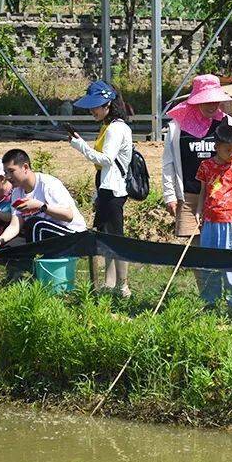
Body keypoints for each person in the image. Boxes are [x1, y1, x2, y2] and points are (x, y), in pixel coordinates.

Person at [68, 80, 134, 298]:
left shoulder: (116, 128)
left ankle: (123, 287)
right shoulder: (110, 126)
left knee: (117, 240)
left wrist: (80, 147)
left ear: (107, 104)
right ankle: (110, 282)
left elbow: (105, 159)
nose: (92, 110)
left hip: (114, 191)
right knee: (106, 237)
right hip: (106, 187)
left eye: (95, 106)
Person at [162, 74, 232, 240]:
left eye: (215, 100)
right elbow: (168, 164)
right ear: (196, 100)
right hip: (189, 196)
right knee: (195, 252)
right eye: (206, 100)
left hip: (222, 200)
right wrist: (170, 195)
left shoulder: (228, 124)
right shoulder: (177, 128)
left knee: (219, 247)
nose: (212, 105)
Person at [195, 122, 232, 313]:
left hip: (231, 223)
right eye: (228, 150)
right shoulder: (206, 166)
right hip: (211, 223)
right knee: (209, 264)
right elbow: (203, 191)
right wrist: (198, 211)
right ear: (216, 147)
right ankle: (210, 302)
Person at [0, 148, 87, 252]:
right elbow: (15, 225)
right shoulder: (17, 192)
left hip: (74, 235)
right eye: (5, 172)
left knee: (35, 224)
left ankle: (36, 264)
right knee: (11, 246)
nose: (8, 177)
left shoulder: (48, 184)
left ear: (25, 167)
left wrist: (41, 206)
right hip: (45, 236)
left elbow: (68, 216)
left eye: (11, 171)